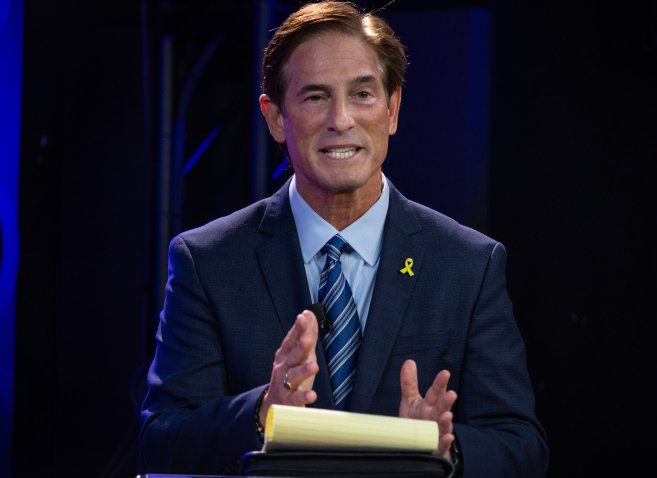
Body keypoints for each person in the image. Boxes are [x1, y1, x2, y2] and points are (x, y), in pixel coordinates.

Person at [139, 1, 548, 476]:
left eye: (362, 95)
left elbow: (522, 446)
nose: (341, 119)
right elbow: (161, 439)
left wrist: (446, 451)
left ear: (392, 108)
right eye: (315, 97)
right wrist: (260, 414)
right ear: (274, 118)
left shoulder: (468, 264)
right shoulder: (208, 261)